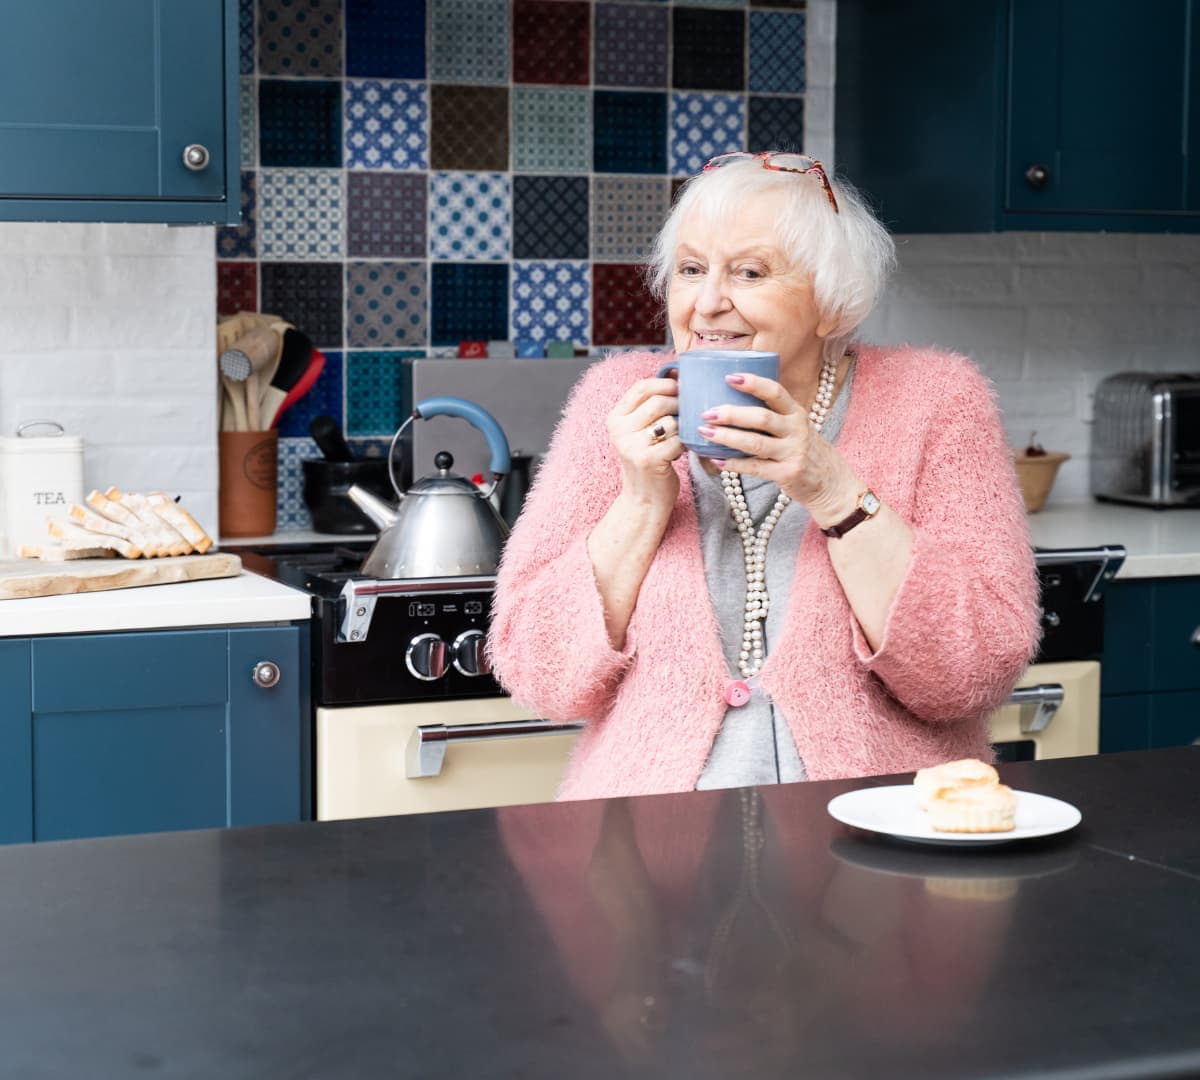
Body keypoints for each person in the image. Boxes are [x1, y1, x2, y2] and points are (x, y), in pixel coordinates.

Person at [488, 151, 1040, 800]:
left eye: (749, 272)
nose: (708, 303)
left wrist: (833, 490)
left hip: (877, 839)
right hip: (644, 848)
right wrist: (640, 504)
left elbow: (973, 671)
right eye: (691, 270)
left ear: (832, 305)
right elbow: (536, 671)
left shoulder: (938, 400)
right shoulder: (616, 400)